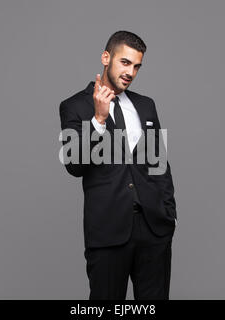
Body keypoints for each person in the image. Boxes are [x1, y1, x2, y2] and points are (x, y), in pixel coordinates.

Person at [59, 30, 178, 300]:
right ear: (106, 57)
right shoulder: (74, 106)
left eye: (136, 66)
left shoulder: (146, 106)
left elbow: (159, 163)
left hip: (154, 229)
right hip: (108, 232)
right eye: (125, 62)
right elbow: (73, 164)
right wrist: (98, 121)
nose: (130, 72)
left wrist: (168, 211)